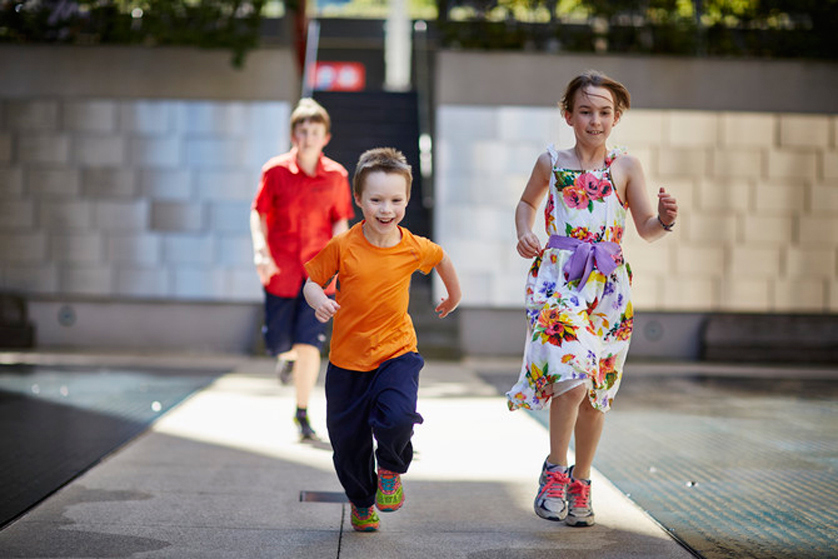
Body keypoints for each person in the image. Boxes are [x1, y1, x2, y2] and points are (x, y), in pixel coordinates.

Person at [505, 70, 678, 527]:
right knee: (573, 375)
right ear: (568, 115)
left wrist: (664, 219)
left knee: (595, 394)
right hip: (559, 280)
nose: (595, 120)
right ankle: (556, 471)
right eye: (585, 111)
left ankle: (582, 480)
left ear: (616, 117)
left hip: (609, 290)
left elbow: (646, 228)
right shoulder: (550, 161)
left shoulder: (626, 167)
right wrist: (526, 231)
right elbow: (526, 203)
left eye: (604, 112)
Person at [303, 147, 462, 532]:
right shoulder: (343, 246)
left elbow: (440, 257)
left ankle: (390, 467)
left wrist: (454, 294)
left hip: (396, 353)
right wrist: (319, 299)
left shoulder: (412, 246)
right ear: (358, 200)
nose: (386, 209)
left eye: (395, 200)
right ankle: (361, 501)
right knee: (348, 444)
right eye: (376, 200)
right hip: (347, 364)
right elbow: (311, 281)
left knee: (398, 416)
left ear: (407, 200)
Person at [250, 98, 355, 441]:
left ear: (326, 136)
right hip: (280, 270)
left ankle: (302, 412)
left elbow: (340, 220)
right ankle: (287, 358)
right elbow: (259, 213)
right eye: (302, 130)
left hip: (318, 275)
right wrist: (261, 252)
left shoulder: (337, 176)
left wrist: (338, 264)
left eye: (315, 131)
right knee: (280, 341)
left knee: (310, 342)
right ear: (293, 133)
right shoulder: (275, 170)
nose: (308, 137)